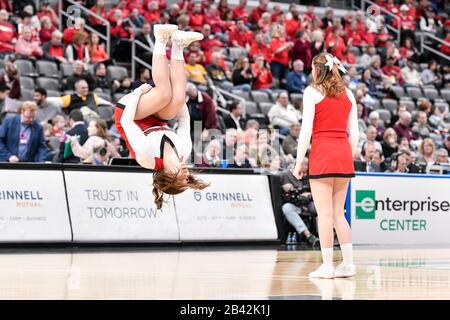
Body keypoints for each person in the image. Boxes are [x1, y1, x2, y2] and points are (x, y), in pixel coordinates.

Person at [114, 24, 209, 209]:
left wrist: (138, 92)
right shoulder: (184, 150)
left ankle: (160, 38)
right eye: (187, 177)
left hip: (130, 113)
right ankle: (179, 45)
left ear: (167, 176)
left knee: (165, 93)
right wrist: (179, 100)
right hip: (156, 117)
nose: (186, 173)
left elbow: (126, 121)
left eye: (180, 177)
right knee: (178, 96)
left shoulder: (146, 158)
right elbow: (183, 120)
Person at [292, 53, 359, 279]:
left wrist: (299, 161)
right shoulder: (348, 93)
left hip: (322, 153)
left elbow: (306, 131)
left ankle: (328, 266)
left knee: (324, 214)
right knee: (339, 213)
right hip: (343, 153)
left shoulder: (312, 92)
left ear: (317, 70)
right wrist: (346, 156)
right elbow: (356, 134)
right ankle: (348, 265)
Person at [280, 161, 319, 247]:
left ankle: (328, 235)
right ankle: (309, 235)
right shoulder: (284, 175)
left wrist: (309, 194)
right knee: (286, 208)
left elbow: (315, 192)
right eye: (301, 172)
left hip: (308, 203)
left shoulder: (308, 176)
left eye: (305, 172)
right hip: (293, 204)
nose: (304, 175)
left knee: (322, 208)